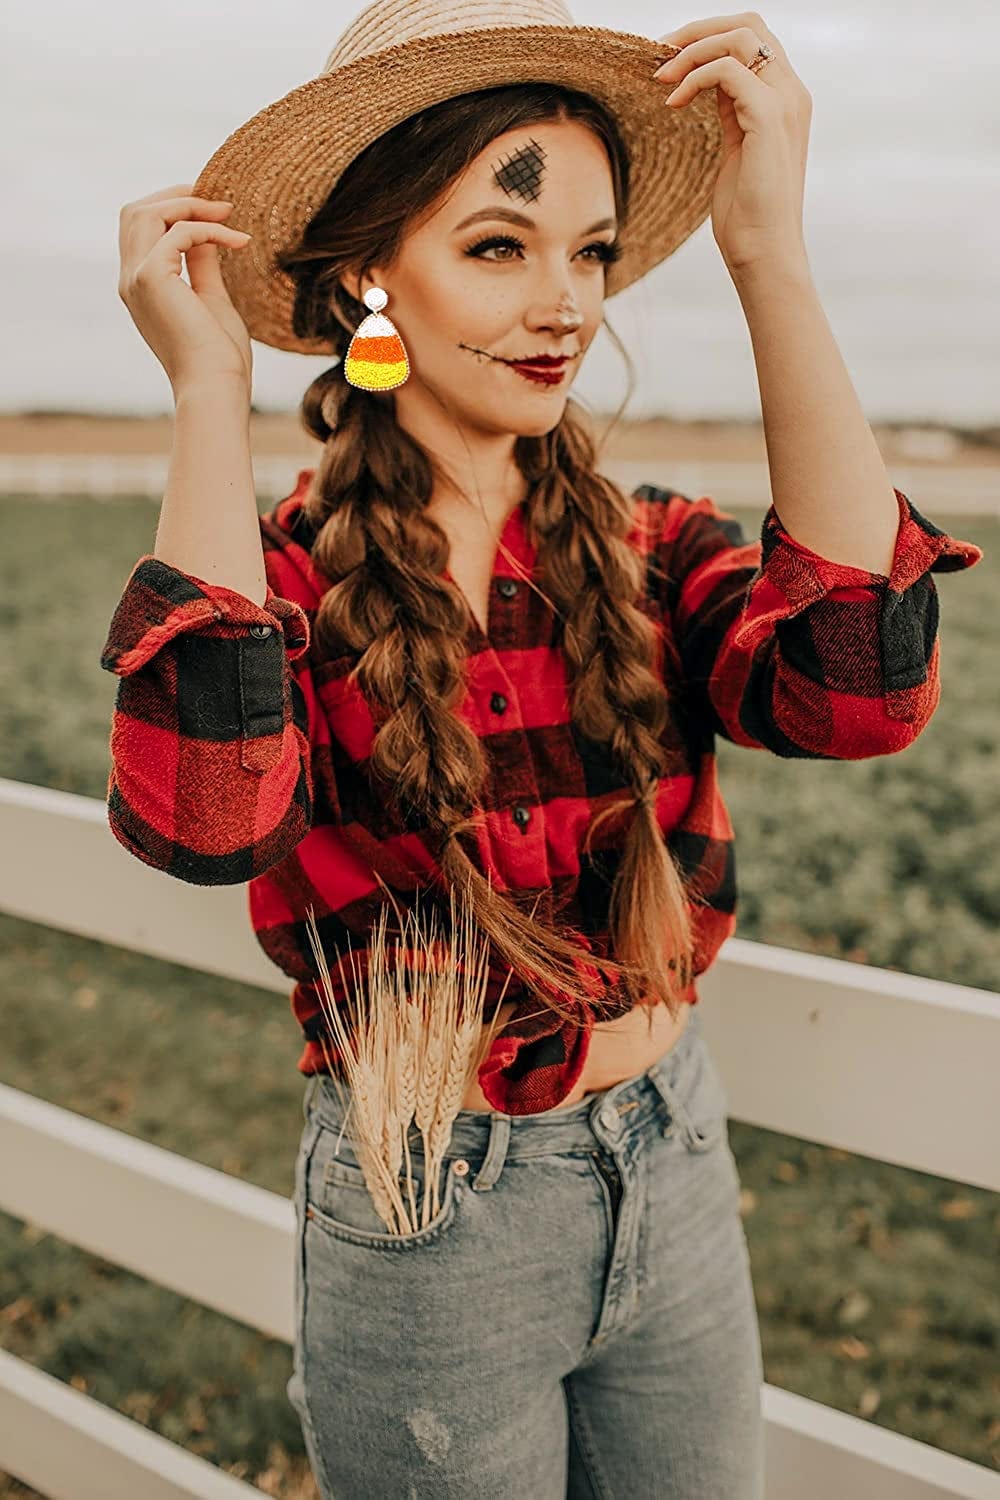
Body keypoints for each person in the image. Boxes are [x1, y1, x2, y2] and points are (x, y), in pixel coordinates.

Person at [103, 1, 982, 1494]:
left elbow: (860, 692)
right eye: (500, 246)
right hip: (427, 1201)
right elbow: (202, 815)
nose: (566, 300)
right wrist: (205, 394)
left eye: (590, 251)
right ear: (374, 275)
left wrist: (772, 257)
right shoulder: (288, 590)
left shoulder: (644, 551)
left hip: (674, 1152)